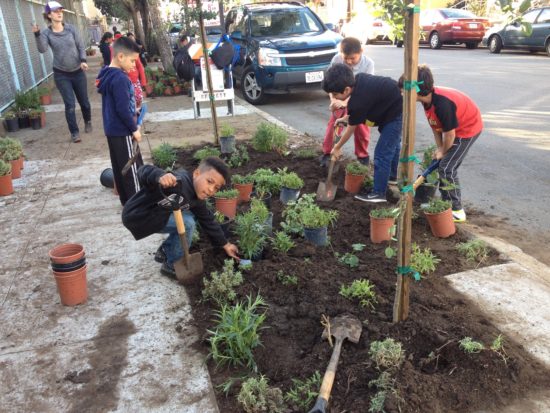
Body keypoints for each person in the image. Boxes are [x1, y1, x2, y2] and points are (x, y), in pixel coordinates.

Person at [122, 159, 240, 278]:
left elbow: (208, 221)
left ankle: (166, 250)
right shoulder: (177, 182)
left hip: (157, 214)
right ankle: (172, 264)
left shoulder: (198, 199)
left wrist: (225, 244)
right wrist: (160, 176)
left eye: (216, 188)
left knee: (191, 216)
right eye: (209, 181)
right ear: (196, 174)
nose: (211, 189)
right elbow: (143, 170)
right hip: (138, 216)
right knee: (188, 223)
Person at [399, 65, 482, 222]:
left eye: (404, 89)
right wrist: (439, 148)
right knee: (441, 162)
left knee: (447, 168)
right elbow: (436, 126)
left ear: (416, 91)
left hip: (467, 129)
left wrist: (444, 151)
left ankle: (457, 210)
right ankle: (446, 204)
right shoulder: (427, 101)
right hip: (453, 129)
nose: (402, 93)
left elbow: (450, 134)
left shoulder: (442, 104)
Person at [323, 63, 403, 203]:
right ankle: (391, 179)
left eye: (336, 94)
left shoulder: (356, 101)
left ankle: (378, 193)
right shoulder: (358, 81)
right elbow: (359, 112)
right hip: (390, 106)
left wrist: (337, 147)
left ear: (347, 89)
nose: (335, 97)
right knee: (393, 146)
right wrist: (345, 118)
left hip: (394, 113)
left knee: (382, 154)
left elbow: (351, 128)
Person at [33, 1, 92, 143]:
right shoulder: (47, 33)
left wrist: (83, 60)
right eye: (55, 11)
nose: (59, 13)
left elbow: (80, 46)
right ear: (49, 15)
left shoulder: (71, 29)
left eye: (60, 10)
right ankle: (74, 132)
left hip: (78, 71)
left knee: (84, 102)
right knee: (70, 104)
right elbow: (42, 49)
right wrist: (37, 34)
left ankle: (88, 121)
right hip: (61, 74)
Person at [96, 36, 143, 206]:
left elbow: (118, 104)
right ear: (120, 56)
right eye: (132, 61)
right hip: (123, 131)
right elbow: (122, 110)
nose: (134, 65)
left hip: (112, 130)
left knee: (119, 168)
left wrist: (134, 110)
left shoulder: (106, 74)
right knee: (132, 169)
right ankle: (137, 206)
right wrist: (134, 129)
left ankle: (127, 203)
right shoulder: (121, 79)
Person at [320, 37, 374, 167]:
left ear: (361, 51)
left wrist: (346, 103)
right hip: (339, 98)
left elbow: (363, 90)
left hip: (360, 99)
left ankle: (362, 156)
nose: (349, 62)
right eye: (346, 58)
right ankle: (328, 153)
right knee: (334, 124)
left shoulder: (368, 64)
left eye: (353, 58)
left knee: (361, 127)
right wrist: (333, 101)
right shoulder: (337, 59)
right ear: (341, 53)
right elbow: (330, 84)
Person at [126, 33, 147, 110]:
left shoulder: (135, 55)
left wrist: (143, 81)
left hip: (135, 81)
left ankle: (137, 112)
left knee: (139, 98)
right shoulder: (121, 56)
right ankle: (133, 115)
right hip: (126, 82)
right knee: (130, 100)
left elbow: (140, 67)